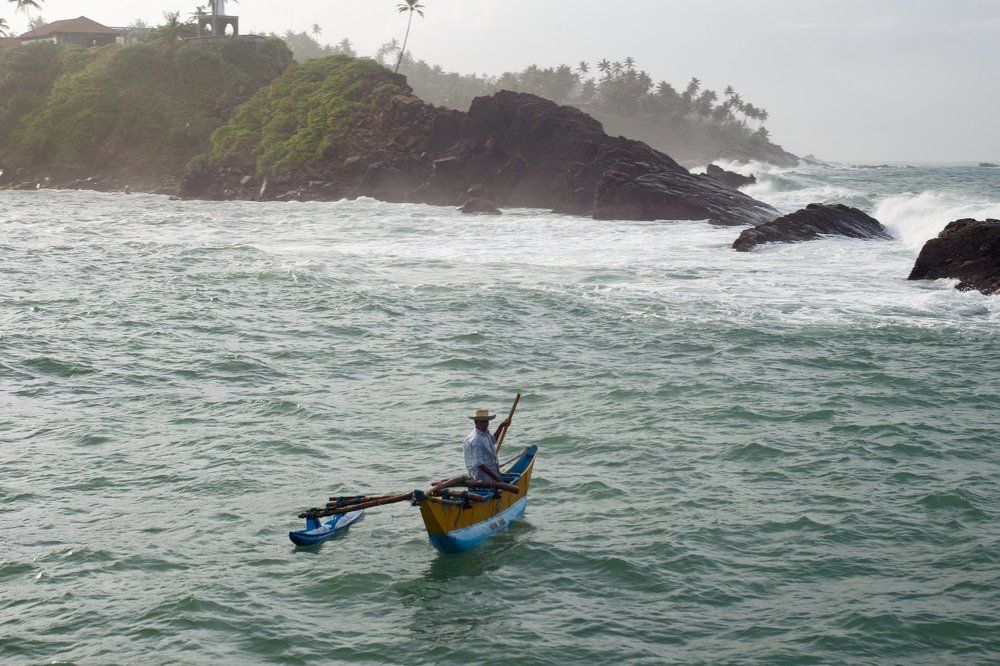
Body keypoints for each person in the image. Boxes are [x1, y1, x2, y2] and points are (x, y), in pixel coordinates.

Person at [463, 408, 511, 483]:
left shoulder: (485, 433)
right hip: (482, 478)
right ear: (476, 422)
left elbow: (493, 440)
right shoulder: (476, 440)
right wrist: (498, 479)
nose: (485, 424)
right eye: (482, 422)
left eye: (486, 421)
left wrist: (501, 426)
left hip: (492, 474)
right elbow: (480, 464)